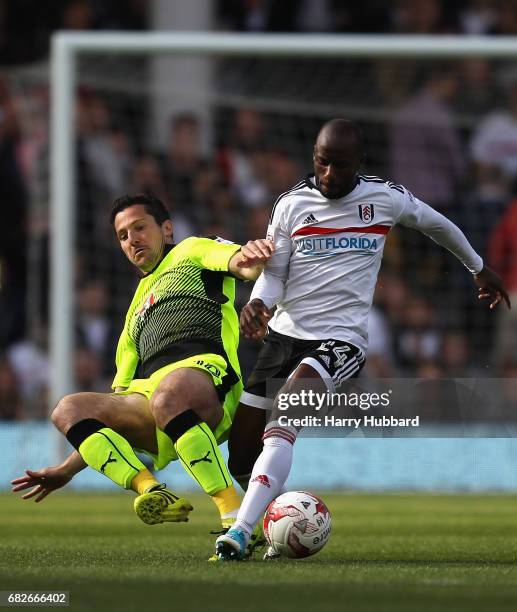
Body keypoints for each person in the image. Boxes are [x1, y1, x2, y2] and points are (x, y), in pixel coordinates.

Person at [215, 118, 510, 560]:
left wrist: (478, 267)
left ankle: (238, 532)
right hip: (283, 339)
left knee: (286, 416)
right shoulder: (292, 205)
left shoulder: (384, 197)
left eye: (340, 165)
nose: (329, 174)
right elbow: (274, 275)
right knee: (241, 450)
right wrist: (259, 305)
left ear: (360, 163)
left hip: (340, 341)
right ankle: (282, 525)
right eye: (322, 162)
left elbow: (438, 225)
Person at [12, 193, 273, 535]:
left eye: (139, 227)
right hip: (154, 401)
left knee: (169, 395)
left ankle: (233, 517)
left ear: (166, 229)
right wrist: (67, 470)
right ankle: (152, 490)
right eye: (123, 235)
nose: (132, 239)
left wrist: (252, 255)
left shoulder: (191, 249)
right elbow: (114, 416)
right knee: (68, 408)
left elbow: (240, 263)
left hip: (206, 378)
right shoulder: (134, 310)